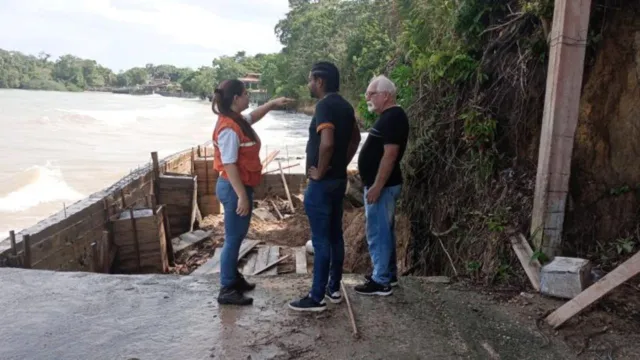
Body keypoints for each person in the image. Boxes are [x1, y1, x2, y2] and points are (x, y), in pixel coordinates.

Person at [212, 79, 293, 306]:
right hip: (233, 187)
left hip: (236, 186)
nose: (249, 97)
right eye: (246, 94)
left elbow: (253, 117)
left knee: (236, 237)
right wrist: (241, 196)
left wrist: (272, 104)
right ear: (236, 98)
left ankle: (233, 278)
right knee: (233, 238)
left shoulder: (236, 120)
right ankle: (227, 288)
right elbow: (229, 164)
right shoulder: (228, 128)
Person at [289, 62, 361, 312]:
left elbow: (327, 143)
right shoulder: (345, 106)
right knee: (334, 237)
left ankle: (316, 297)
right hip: (338, 181)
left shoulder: (324, 106)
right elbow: (356, 138)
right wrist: (342, 164)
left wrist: (320, 170)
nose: (309, 84)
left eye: (310, 80)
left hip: (322, 184)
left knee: (320, 241)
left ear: (320, 81)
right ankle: (333, 288)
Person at [354, 75, 409, 296]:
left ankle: (381, 280)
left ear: (385, 95)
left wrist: (377, 185)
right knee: (384, 230)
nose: (368, 97)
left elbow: (390, 155)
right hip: (384, 185)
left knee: (378, 232)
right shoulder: (389, 116)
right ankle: (388, 274)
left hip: (383, 187)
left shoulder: (394, 117)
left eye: (372, 93)